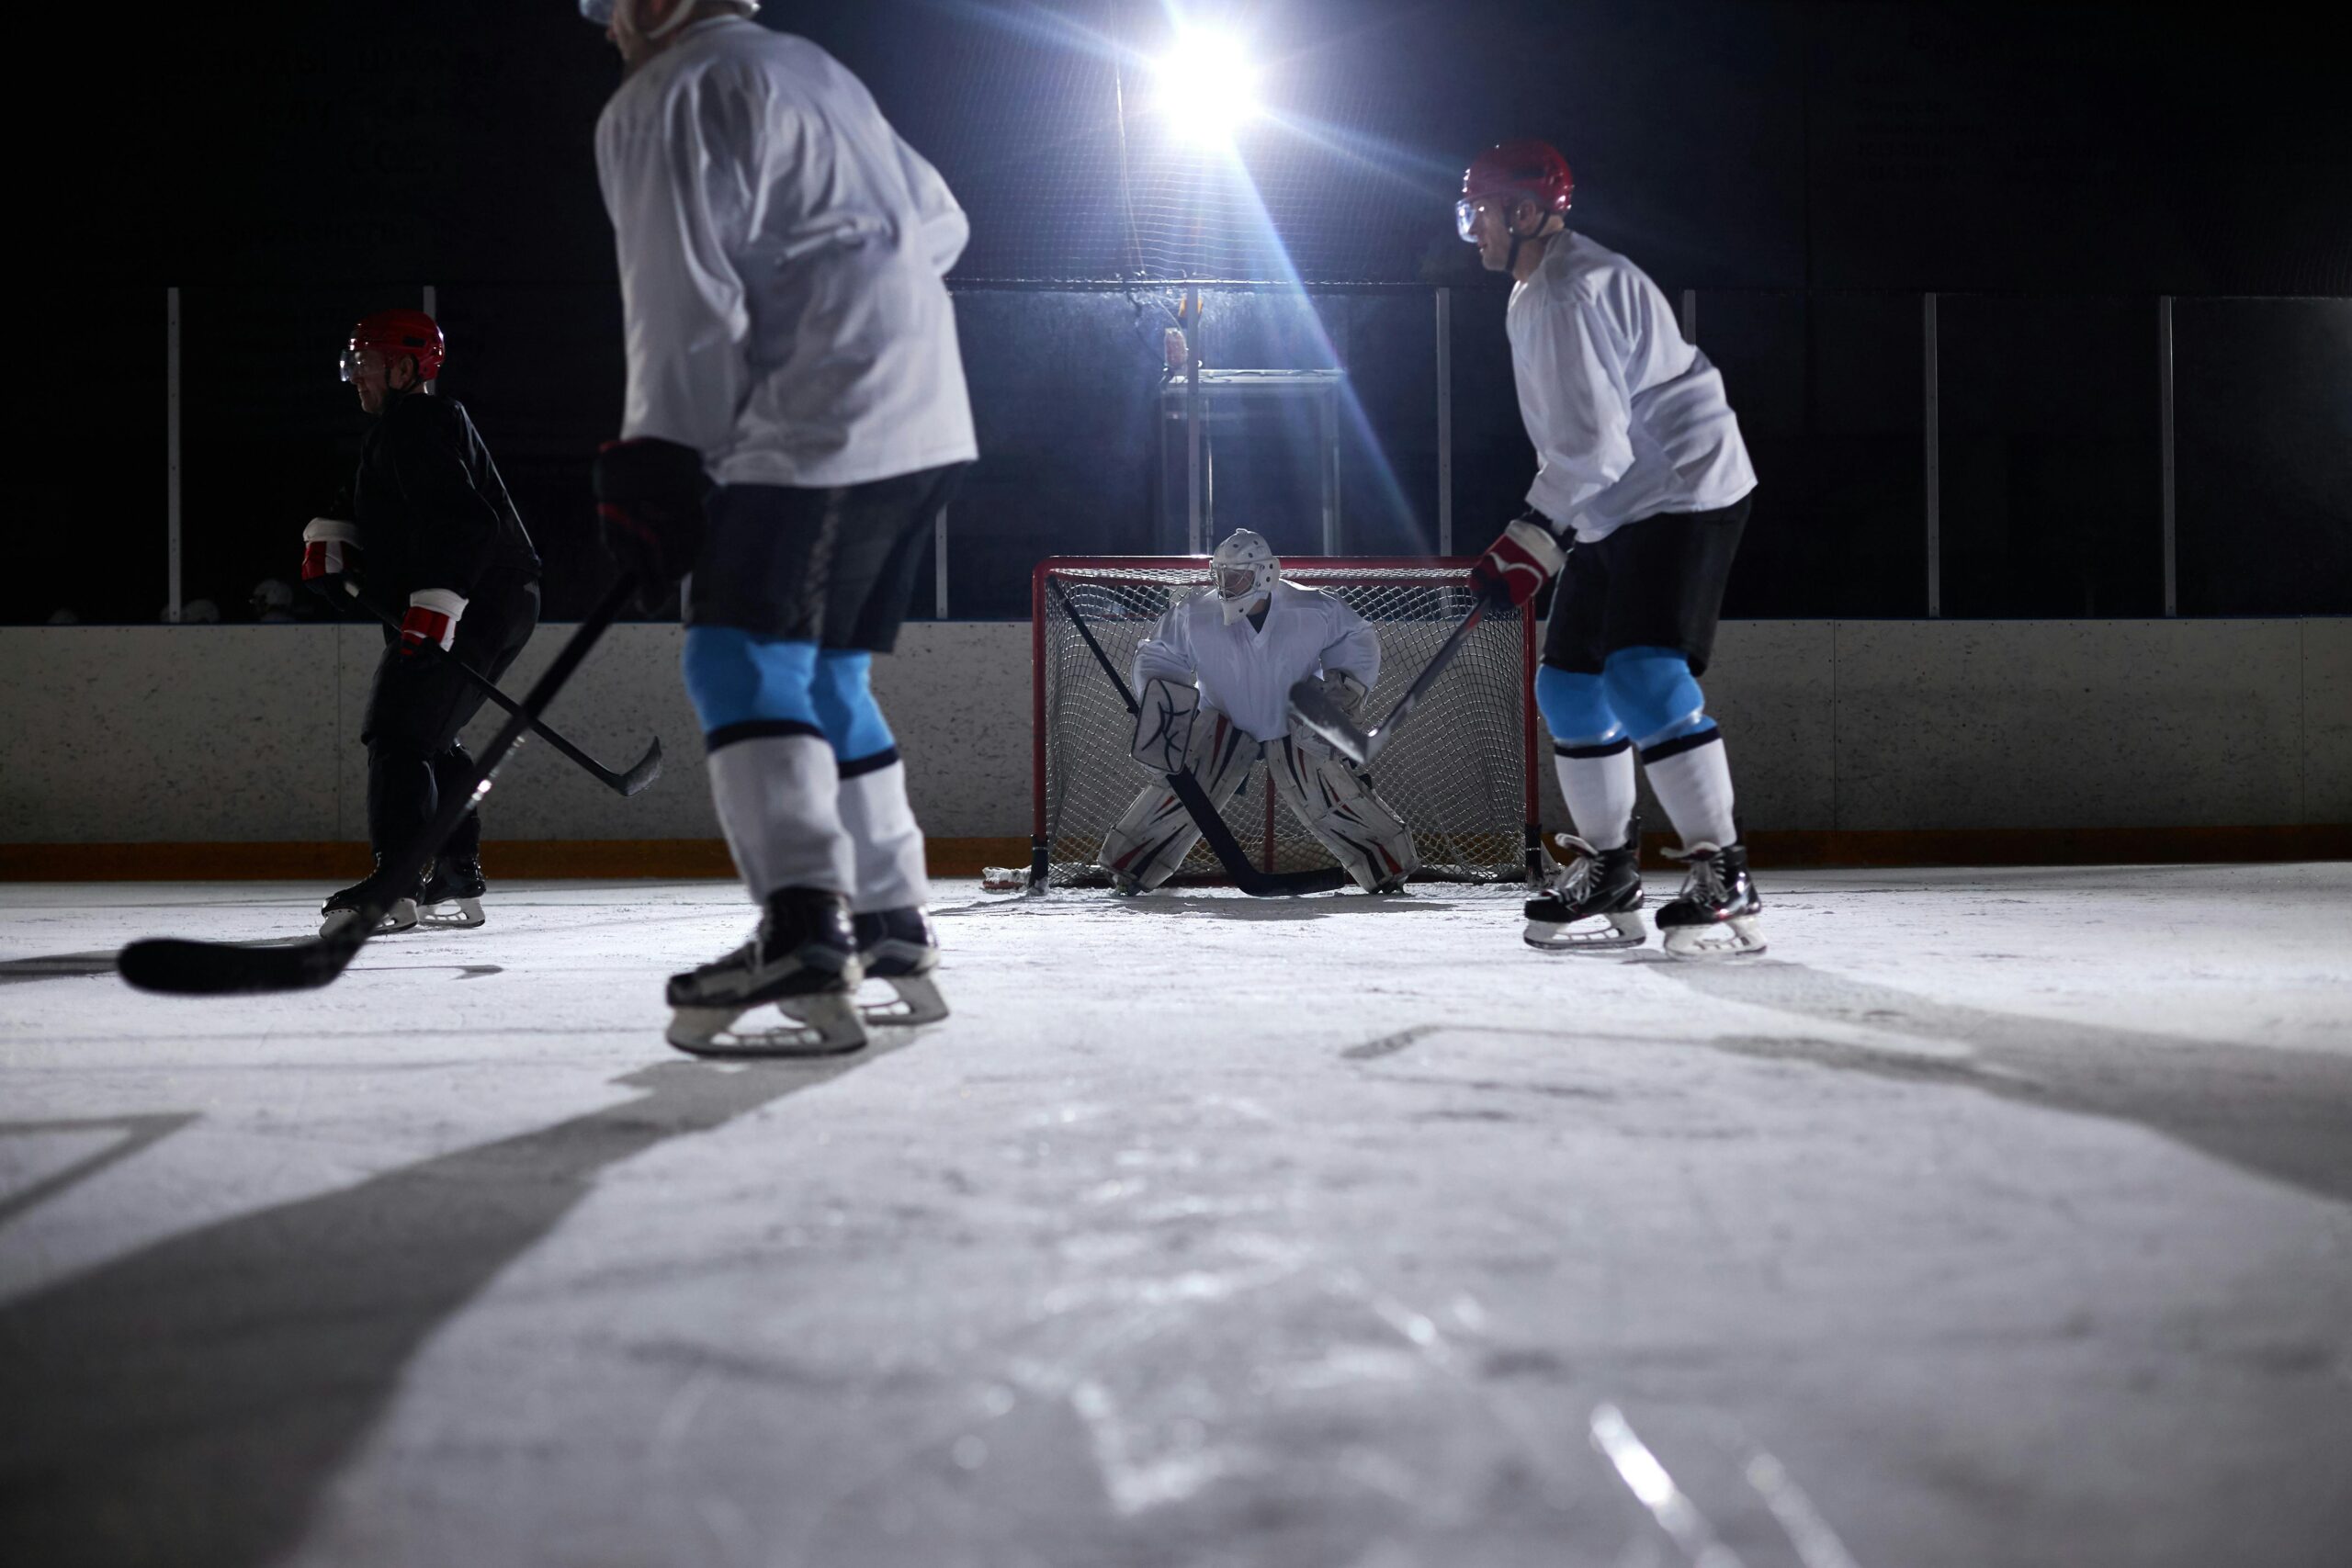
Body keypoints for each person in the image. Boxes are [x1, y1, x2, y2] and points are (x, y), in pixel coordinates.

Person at [581, 0, 975, 1053]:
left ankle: (804, 928)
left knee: (736, 657)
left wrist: (661, 456)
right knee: (828, 674)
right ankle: (889, 920)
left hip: (817, 415)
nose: (606, 27)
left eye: (606, 6)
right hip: (929, 409)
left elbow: (678, 300)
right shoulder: (813, 68)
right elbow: (941, 222)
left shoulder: (659, 96)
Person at [1456, 140, 1766, 958]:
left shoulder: (1569, 288)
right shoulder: (1531, 291)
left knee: (1643, 676)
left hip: (1682, 486)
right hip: (1612, 500)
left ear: (1525, 212)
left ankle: (1725, 874)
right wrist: (1543, 527)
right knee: (1568, 686)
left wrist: (1533, 531)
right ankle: (1611, 871)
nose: (1473, 229)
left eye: (1480, 212)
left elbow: (1597, 446)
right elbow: (1580, 443)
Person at [300, 309, 543, 936]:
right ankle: (454, 872)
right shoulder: (402, 428)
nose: (356, 376)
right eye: (353, 363)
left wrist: (439, 602)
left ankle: (396, 885)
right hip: (497, 597)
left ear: (407, 369)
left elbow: (463, 519)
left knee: (397, 731)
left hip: (475, 598)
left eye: (367, 364)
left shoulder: (418, 421)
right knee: (429, 734)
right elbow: (380, 504)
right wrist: (334, 536)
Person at [1102, 529, 1418, 895]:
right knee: (1183, 793)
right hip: (1220, 722)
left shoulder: (1312, 608)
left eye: (1236, 576)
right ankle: (1129, 867)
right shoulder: (1194, 613)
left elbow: (1356, 637)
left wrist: (1342, 690)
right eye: (1221, 576)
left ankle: (1388, 866)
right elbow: (1159, 654)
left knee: (1330, 794)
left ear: (1266, 573)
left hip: (1294, 724)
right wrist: (1166, 707)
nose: (1226, 585)